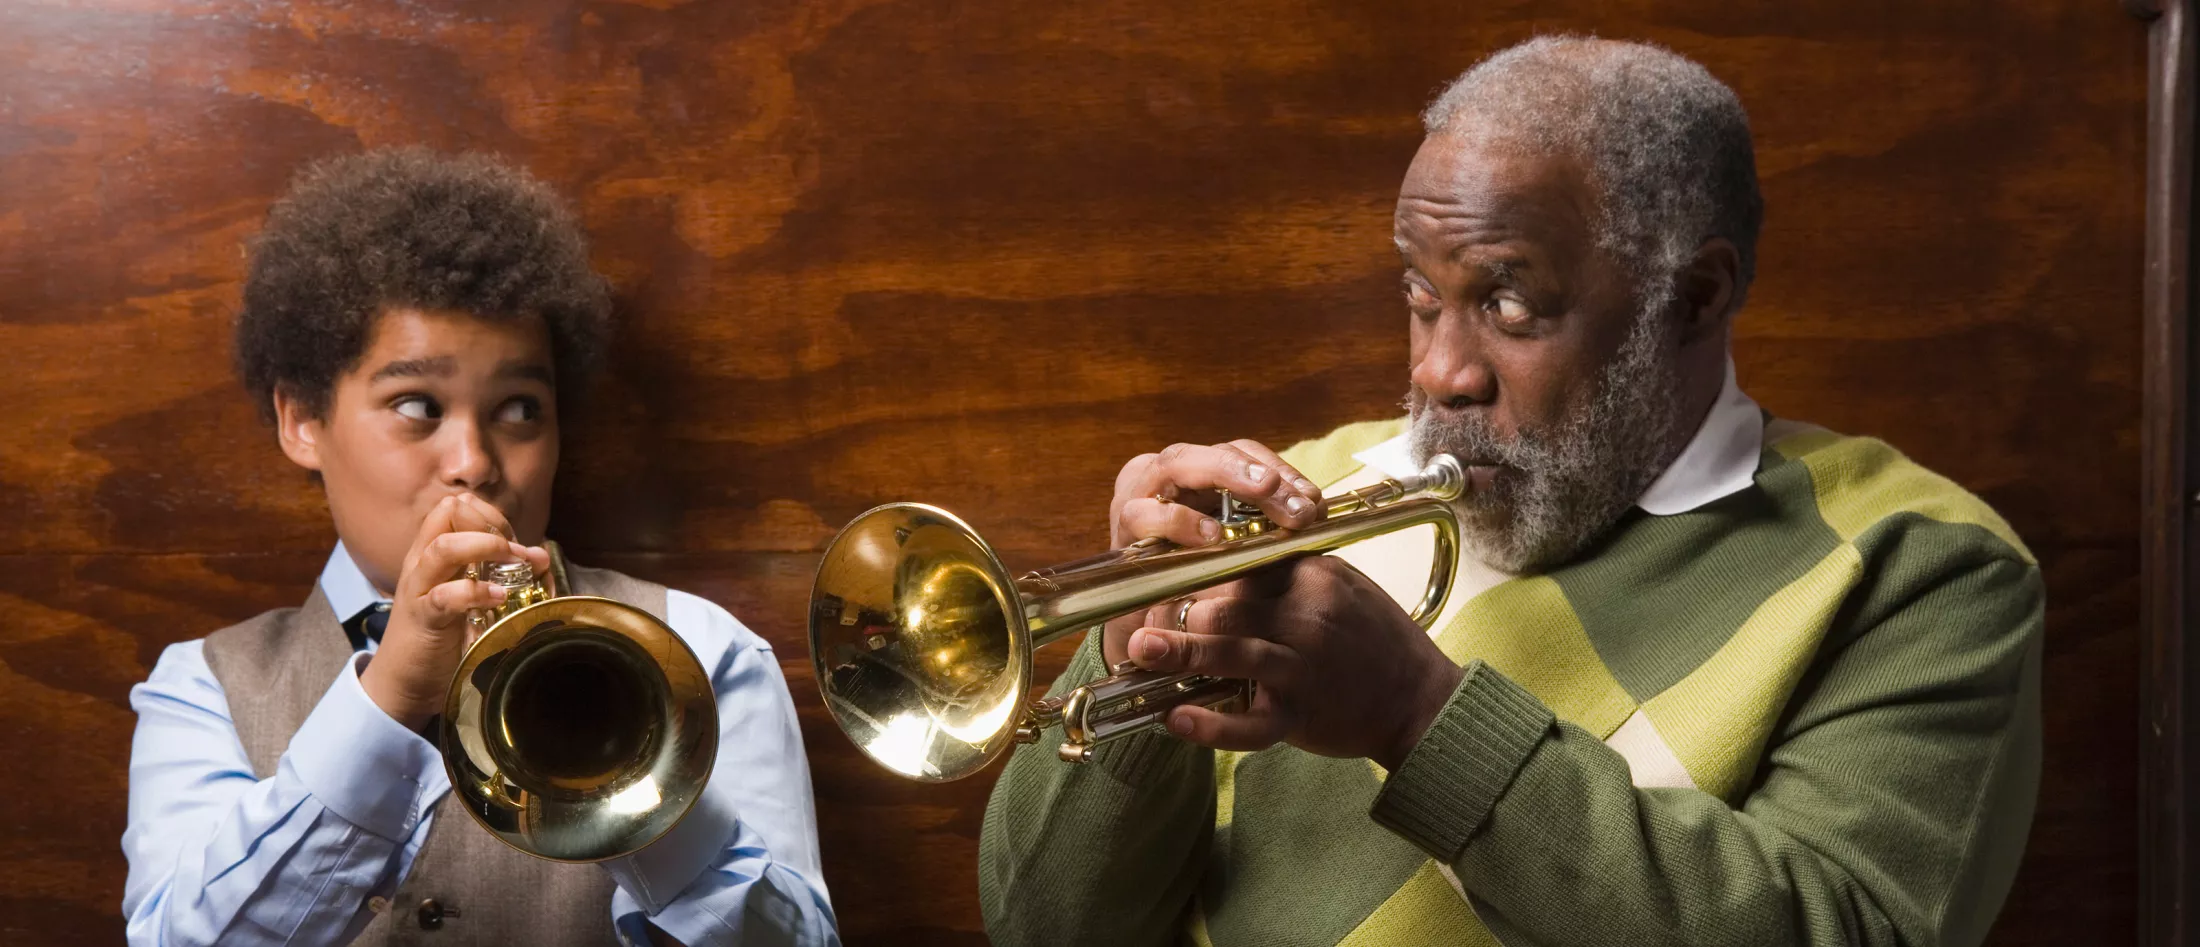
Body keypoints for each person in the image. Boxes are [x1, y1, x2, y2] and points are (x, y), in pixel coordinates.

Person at [980, 37, 2042, 947]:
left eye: (1509, 302)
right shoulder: (1311, 490)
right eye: (1419, 293)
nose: (1442, 372)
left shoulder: (1922, 566)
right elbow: (1041, 924)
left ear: (1694, 294)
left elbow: (1835, 921)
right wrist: (1130, 650)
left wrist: (1415, 713)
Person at [121, 148, 839, 947]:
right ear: (302, 421)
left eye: (521, 409)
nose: (474, 463)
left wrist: (633, 765)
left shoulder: (703, 650)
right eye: (418, 404)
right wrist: (388, 698)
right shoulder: (203, 687)